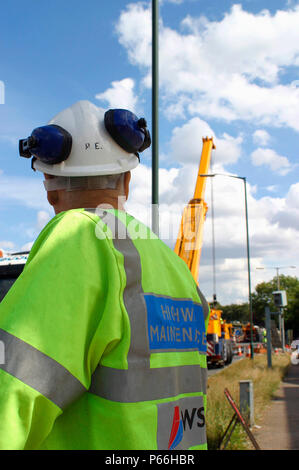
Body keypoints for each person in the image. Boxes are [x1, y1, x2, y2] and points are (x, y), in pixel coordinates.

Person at [0, 100, 210, 450]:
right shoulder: (170, 263)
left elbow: (13, 392)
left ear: (49, 184)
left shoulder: (76, 237)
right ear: (126, 181)